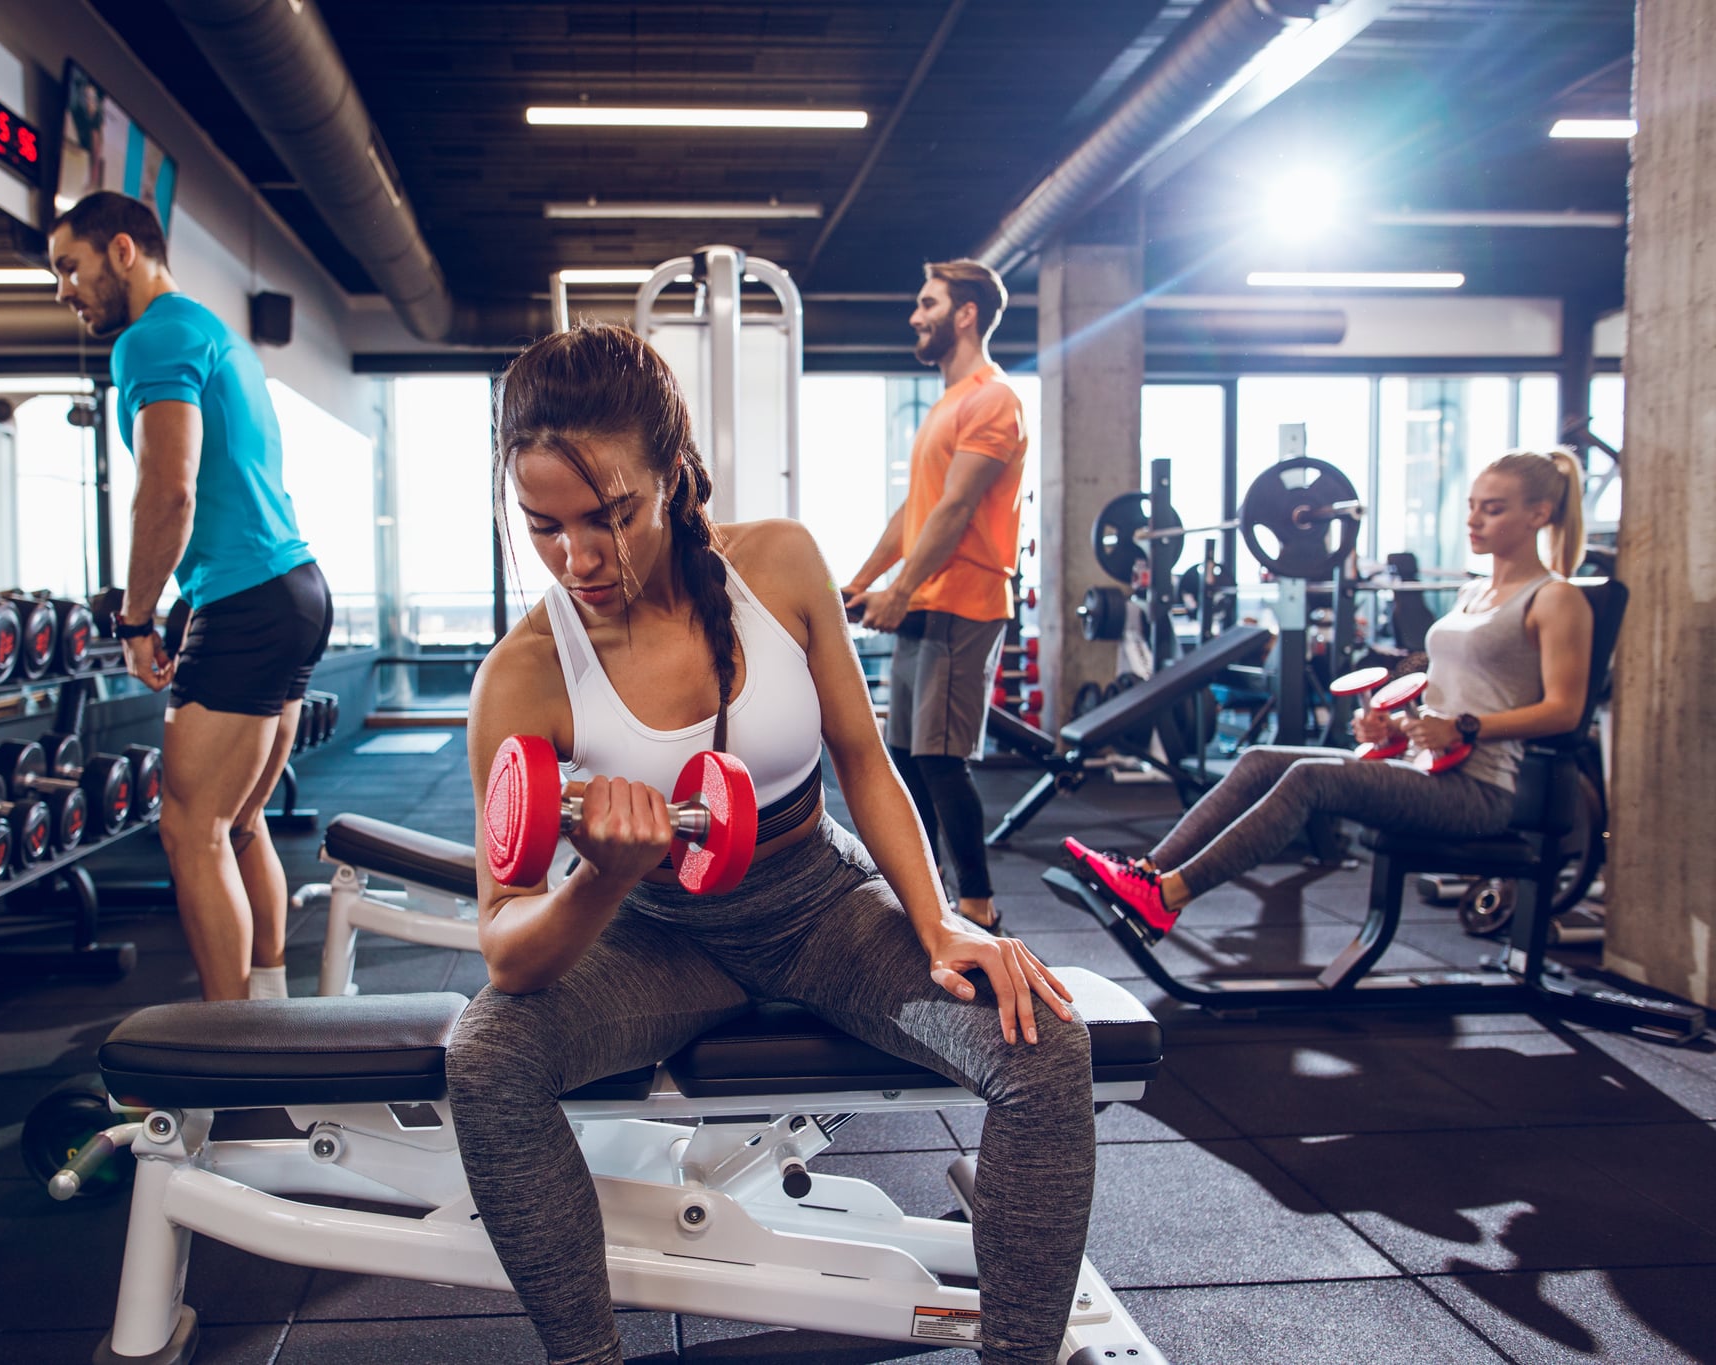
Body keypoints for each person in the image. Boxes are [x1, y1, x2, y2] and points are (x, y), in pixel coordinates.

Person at [449, 323, 1092, 1365]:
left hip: (820, 908)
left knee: (1045, 1049)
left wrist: (936, 924)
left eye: (608, 516)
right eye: (543, 526)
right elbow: (507, 950)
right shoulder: (521, 674)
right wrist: (600, 882)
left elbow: (863, 760)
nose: (579, 559)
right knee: (484, 1064)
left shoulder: (778, 564)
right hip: (656, 937)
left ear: (671, 472)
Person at [1066, 452, 1592, 943]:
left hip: (1478, 791)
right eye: (1473, 507)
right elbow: (1446, 691)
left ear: (1539, 514)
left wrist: (1465, 728)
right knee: (1258, 759)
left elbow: (1564, 712)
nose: (1474, 521)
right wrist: (1394, 723)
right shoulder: (1471, 592)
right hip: (1424, 765)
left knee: (1309, 778)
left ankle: (1168, 897)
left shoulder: (1555, 598)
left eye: (1493, 510)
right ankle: (1148, 873)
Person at [48, 190, 329, 1001]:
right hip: (296, 588)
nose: (64, 289)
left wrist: (135, 620)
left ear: (124, 251)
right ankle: (274, 1023)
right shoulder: (214, 332)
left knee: (190, 830)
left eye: (71, 266)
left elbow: (168, 491)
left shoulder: (151, 338)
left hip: (246, 599)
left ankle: (234, 1063)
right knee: (239, 825)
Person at [843, 260, 1027, 933]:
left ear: (966, 313)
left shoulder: (993, 397)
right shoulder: (947, 404)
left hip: (965, 599)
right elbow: (914, 513)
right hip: (928, 599)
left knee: (940, 757)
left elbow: (955, 510)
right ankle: (931, 891)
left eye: (928, 303)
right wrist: (866, 582)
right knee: (905, 753)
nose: (916, 317)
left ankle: (977, 904)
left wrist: (904, 588)